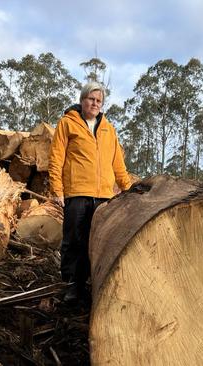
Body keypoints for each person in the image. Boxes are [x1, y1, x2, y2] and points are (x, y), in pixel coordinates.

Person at [48, 81, 131, 302]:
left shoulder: (108, 130)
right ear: (82, 100)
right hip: (77, 193)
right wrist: (57, 189)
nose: (94, 104)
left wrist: (129, 190)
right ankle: (72, 286)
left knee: (99, 241)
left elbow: (118, 164)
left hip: (104, 196)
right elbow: (56, 158)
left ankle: (96, 285)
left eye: (98, 101)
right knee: (74, 240)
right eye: (91, 99)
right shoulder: (68, 123)